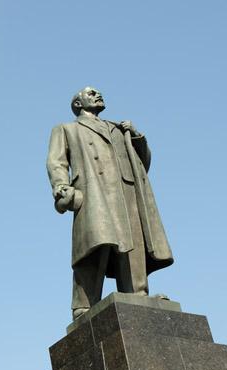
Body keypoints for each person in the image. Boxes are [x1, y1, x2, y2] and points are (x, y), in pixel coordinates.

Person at [46, 87, 174, 319]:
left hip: (126, 190)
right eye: (91, 93)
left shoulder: (118, 128)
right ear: (77, 104)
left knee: (133, 242)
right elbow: (57, 162)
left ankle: (137, 293)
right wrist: (61, 186)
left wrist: (136, 135)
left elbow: (142, 164)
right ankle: (84, 304)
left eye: (98, 93)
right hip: (94, 189)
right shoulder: (67, 129)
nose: (98, 95)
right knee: (95, 245)